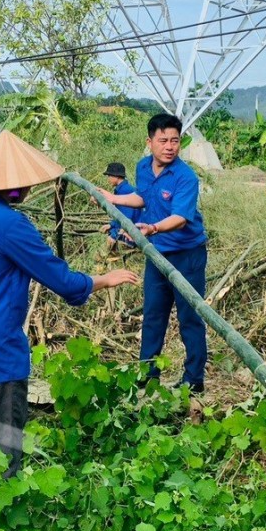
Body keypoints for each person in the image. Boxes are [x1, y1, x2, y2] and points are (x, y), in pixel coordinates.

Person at [0, 130, 138, 480]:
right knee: (0, 453)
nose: (29, 189)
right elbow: (61, 280)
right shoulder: (9, 224)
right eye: (26, 183)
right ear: (15, 186)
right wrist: (104, 279)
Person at [98, 114, 209, 393]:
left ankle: (193, 381)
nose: (170, 146)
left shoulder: (186, 177)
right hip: (157, 254)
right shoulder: (143, 167)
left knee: (190, 318)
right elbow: (143, 198)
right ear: (150, 142)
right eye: (163, 141)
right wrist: (113, 198)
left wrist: (153, 228)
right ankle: (148, 376)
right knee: (153, 315)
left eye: (175, 140)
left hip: (187, 255)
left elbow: (180, 218)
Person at [99, 161, 142, 251]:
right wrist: (111, 225)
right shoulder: (123, 189)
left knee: (101, 254)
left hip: (131, 234)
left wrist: (114, 235)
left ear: (116, 176)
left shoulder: (124, 191)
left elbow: (126, 218)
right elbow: (120, 214)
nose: (108, 179)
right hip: (130, 230)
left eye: (109, 176)